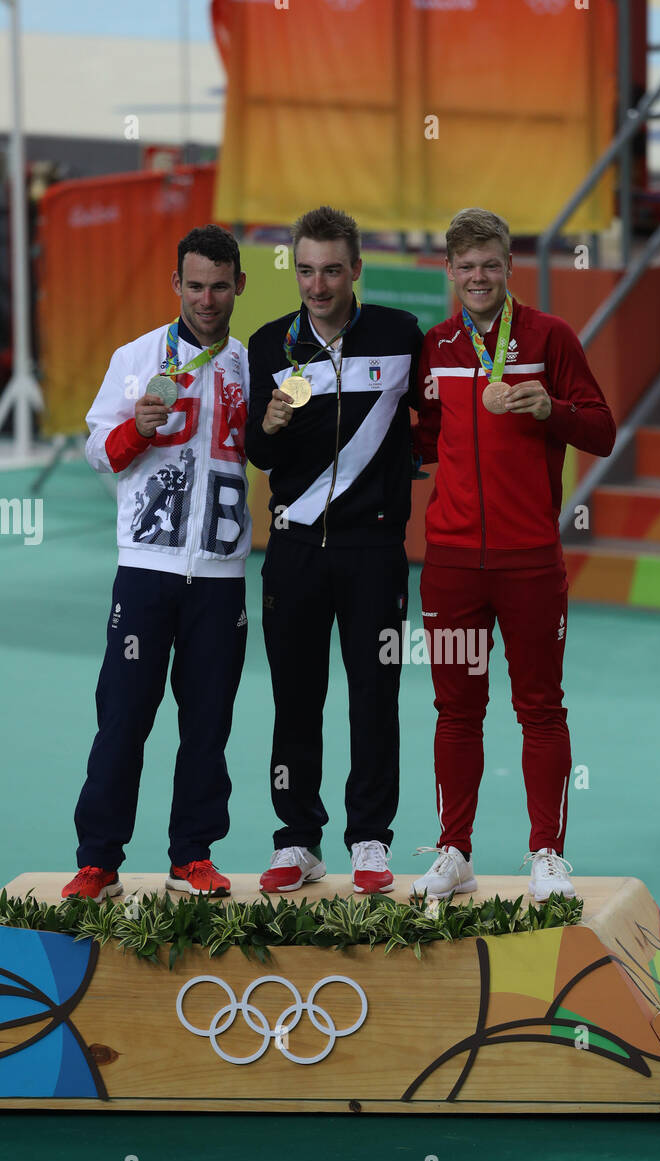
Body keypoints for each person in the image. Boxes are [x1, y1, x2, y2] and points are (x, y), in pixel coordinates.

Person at [411, 208, 615, 900]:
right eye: (465, 266)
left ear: (509, 269)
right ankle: (453, 850)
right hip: (452, 562)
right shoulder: (436, 346)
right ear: (449, 271)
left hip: (530, 558)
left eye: (490, 265)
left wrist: (550, 408)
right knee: (455, 711)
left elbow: (603, 431)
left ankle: (547, 854)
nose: (478, 277)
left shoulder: (549, 338)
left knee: (540, 708)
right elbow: (422, 436)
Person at [62, 225, 250, 901]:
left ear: (238, 287)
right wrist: (135, 427)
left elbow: (267, 451)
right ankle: (98, 860)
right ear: (176, 285)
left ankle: (192, 855)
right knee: (123, 716)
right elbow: (94, 450)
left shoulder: (251, 366)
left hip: (222, 577)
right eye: (194, 285)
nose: (206, 298)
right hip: (146, 569)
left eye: (219, 285)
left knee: (207, 723)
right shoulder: (136, 357)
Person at [245, 206, 424, 895]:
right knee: (296, 698)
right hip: (292, 551)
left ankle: (371, 840)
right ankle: (297, 841)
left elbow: (434, 417)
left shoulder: (400, 336)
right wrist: (267, 423)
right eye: (306, 270)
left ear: (356, 270)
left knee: (375, 696)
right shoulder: (270, 346)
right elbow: (258, 453)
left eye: (331, 271)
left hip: (375, 550)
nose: (317, 285)